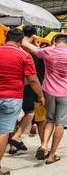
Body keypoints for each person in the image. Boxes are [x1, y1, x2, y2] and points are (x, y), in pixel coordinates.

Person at [21, 33, 67, 165]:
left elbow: (29, 47)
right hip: (65, 92)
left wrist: (27, 37)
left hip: (49, 91)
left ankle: (43, 145)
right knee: (60, 123)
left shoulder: (48, 51)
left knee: (49, 119)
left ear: (55, 42)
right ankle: (52, 155)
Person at [0, 28, 45, 175]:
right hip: (12, 97)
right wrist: (40, 95)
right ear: (20, 42)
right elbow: (32, 79)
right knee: (4, 132)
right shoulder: (24, 55)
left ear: (6, 37)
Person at [7, 26, 39, 155]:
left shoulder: (9, 48)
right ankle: (17, 136)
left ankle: (12, 146)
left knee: (11, 118)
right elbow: (33, 78)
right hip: (24, 86)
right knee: (30, 112)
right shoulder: (28, 52)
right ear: (33, 36)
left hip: (7, 88)